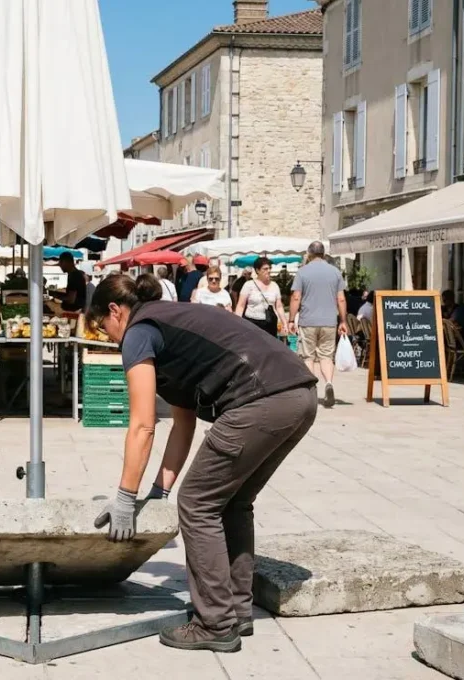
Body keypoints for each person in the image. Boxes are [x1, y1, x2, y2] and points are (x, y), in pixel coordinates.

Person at [87, 273, 317, 652]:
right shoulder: (173, 321)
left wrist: (125, 499)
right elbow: (182, 422)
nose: (108, 336)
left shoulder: (139, 332)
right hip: (298, 395)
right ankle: (237, 612)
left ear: (115, 310)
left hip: (260, 399)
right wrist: (159, 493)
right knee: (233, 500)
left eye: (102, 326)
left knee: (197, 503)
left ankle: (214, 623)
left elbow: (143, 424)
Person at [288, 241, 348, 408]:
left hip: (308, 321)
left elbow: (296, 297)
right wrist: (343, 321)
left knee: (308, 356)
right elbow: (341, 298)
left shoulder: (302, 272)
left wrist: (291, 319)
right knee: (326, 357)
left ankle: (311, 390)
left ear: (309, 253)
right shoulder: (335, 272)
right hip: (329, 321)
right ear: (323, 253)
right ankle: (329, 383)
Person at [235, 257, 286, 337]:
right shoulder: (249, 285)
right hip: (252, 323)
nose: (268, 271)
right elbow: (240, 305)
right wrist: (237, 323)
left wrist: (284, 322)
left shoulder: (274, 285)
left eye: (270, 268)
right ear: (257, 270)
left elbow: (279, 306)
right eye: (265, 269)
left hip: (270, 323)